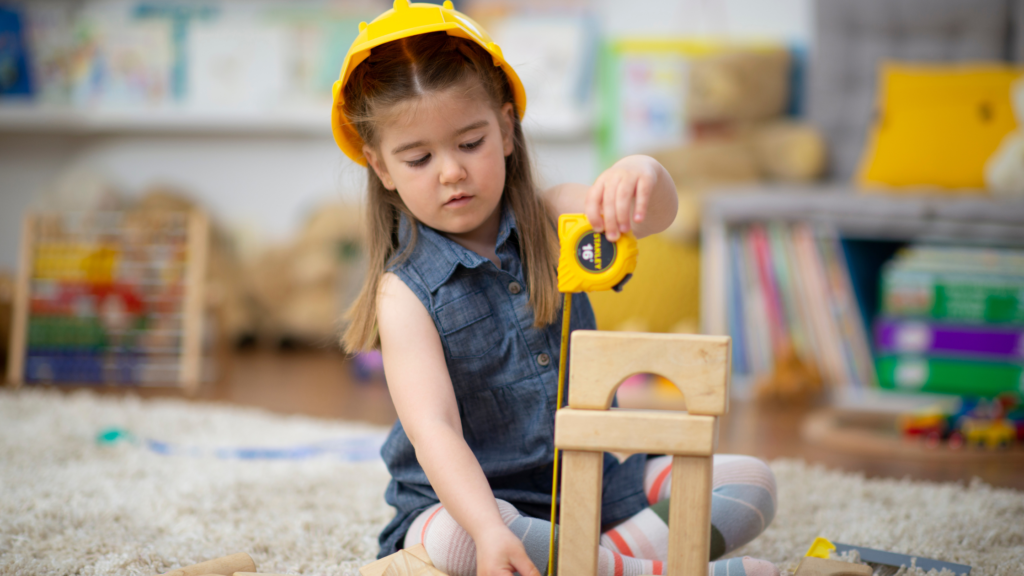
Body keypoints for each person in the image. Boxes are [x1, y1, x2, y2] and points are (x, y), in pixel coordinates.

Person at [333, 3, 778, 576]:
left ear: (507, 129)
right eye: (419, 158)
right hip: (476, 506)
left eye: (470, 143)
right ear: (382, 168)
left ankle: (593, 566)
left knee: (750, 483)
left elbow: (652, 217)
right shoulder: (404, 293)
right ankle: (646, 567)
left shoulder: (556, 216)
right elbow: (434, 430)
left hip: (595, 489)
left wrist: (642, 173)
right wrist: (491, 531)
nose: (451, 172)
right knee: (448, 542)